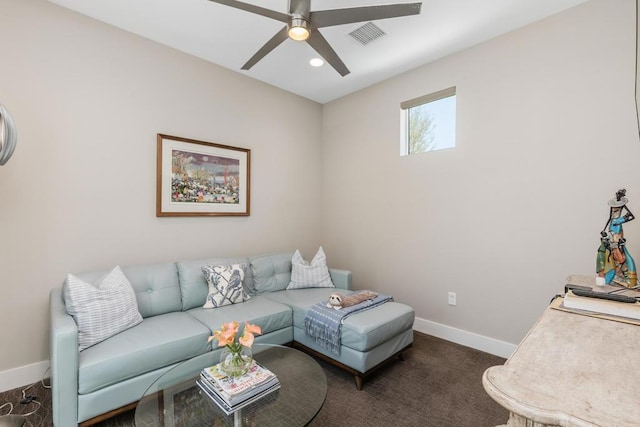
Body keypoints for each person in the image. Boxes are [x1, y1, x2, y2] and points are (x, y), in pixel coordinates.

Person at [598, 189, 637, 287]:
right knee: (616, 259)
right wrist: (604, 229)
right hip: (613, 234)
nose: (615, 209)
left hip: (617, 235)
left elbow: (631, 216)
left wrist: (623, 217)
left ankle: (625, 277)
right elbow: (610, 218)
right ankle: (614, 277)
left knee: (622, 259)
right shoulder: (614, 216)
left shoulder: (619, 216)